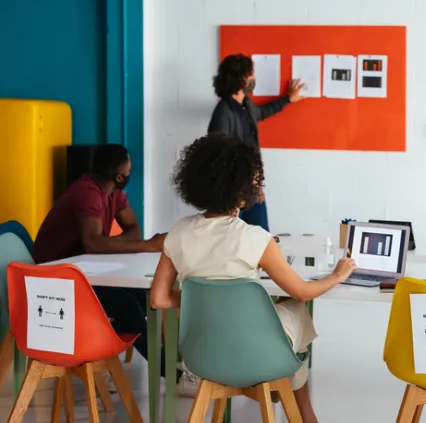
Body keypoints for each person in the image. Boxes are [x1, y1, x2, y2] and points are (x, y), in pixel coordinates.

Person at [150, 133, 356, 422]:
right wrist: (337, 275)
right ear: (242, 188)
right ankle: (299, 406)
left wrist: (204, 303)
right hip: (255, 350)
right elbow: (302, 292)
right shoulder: (256, 238)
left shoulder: (178, 233)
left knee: (281, 315)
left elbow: (159, 298)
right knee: (293, 307)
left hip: (202, 353)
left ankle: (283, 383)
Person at [32, 144, 173, 387]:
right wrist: (148, 246)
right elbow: (93, 244)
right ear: (119, 177)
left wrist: (110, 243)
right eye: (128, 169)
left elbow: (132, 229)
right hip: (55, 281)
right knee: (127, 306)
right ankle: (169, 373)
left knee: (141, 295)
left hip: (83, 272)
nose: (130, 172)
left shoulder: (113, 192)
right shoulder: (88, 193)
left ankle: (104, 358)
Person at [207, 54, 305, 232]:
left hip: (252, 190)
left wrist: (288, 99)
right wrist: (238, 190)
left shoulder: (246, 105)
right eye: (250, 74)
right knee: (231, 244)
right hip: (233, 194)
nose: (254, 78)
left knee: (261, 242)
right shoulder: (223, 112)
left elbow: (264, 112)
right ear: (238, 78)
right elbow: (217, 156)